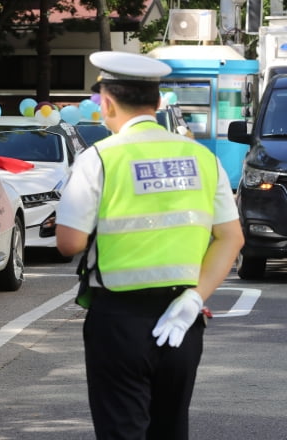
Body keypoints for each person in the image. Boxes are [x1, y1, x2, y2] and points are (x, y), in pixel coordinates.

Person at [55, 51, 244, 440]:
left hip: (119, 320)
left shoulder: (99, 158)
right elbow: (231, 238)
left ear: (106, 102)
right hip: (183, 318)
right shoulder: (202, 158)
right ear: (158, 103)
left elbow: (69, 243)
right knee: (171, 429)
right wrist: (194, 298)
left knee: (122, 430)